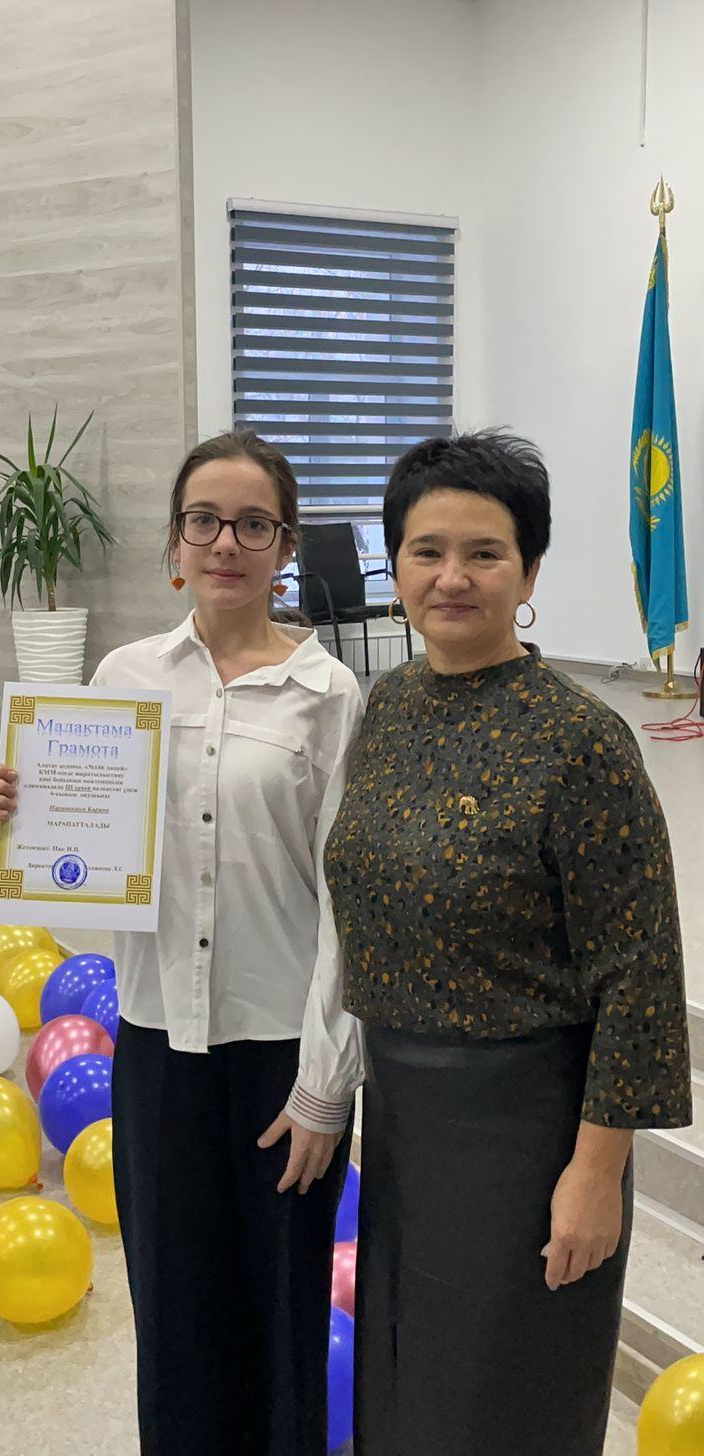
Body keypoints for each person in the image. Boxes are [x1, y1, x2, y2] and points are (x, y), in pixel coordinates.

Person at [0, 429, 364, 1456]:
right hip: (157, 1046)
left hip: (281, 1055)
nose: (226, 542)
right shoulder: (125, 675)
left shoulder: (329, 695)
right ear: (177, 542)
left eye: (253, 523)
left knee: (281, 1319)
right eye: (205, 520)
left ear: (285, 546)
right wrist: (24, 814)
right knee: (176, 1317)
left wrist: (327, 1084)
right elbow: (90, 870)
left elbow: (349, 901)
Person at [324, 431, 692, 1456]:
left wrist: (595, 1173)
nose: (452, 576)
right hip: (406, 1120)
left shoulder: (582, 741)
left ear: (528, 574)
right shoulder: (389, 706)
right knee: (410, 1385)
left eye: (484, 552)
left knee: (506, 1399)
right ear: (397, 566)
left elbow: (641, 977)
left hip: (527, 1134)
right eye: (426, 549)